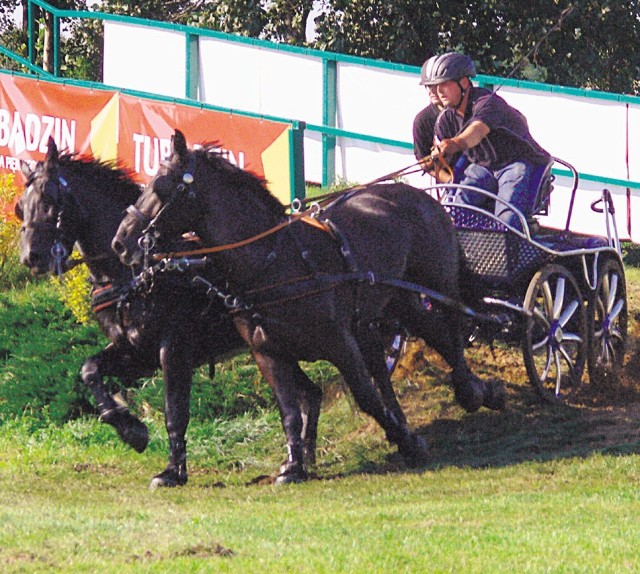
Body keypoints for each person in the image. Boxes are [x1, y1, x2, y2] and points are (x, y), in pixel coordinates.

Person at [425, 52, 552, 227]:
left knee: (507, 218)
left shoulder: (487, 102)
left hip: (516, 163)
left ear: (463, 82)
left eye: (445, 84)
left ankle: (507, 247)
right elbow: (440, 152)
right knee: (456, 208)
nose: (439, 92)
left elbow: (477, 131)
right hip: (483, 166)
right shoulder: (445, 119)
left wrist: (455, 143)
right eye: (436, 86)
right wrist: (437, 157)